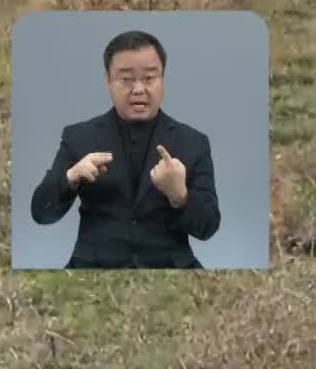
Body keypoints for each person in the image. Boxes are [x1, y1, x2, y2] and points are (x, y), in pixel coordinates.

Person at [28, 29, 221, 268]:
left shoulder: (193, 142)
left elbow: (208, 228)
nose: (138, 89)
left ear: (163, 79)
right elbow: (40, 213)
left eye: (149, 78)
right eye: (126, 79)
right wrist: (71, 178)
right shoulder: (79, 136)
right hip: (94, 269)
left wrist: (179, 195)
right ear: (108, 81)